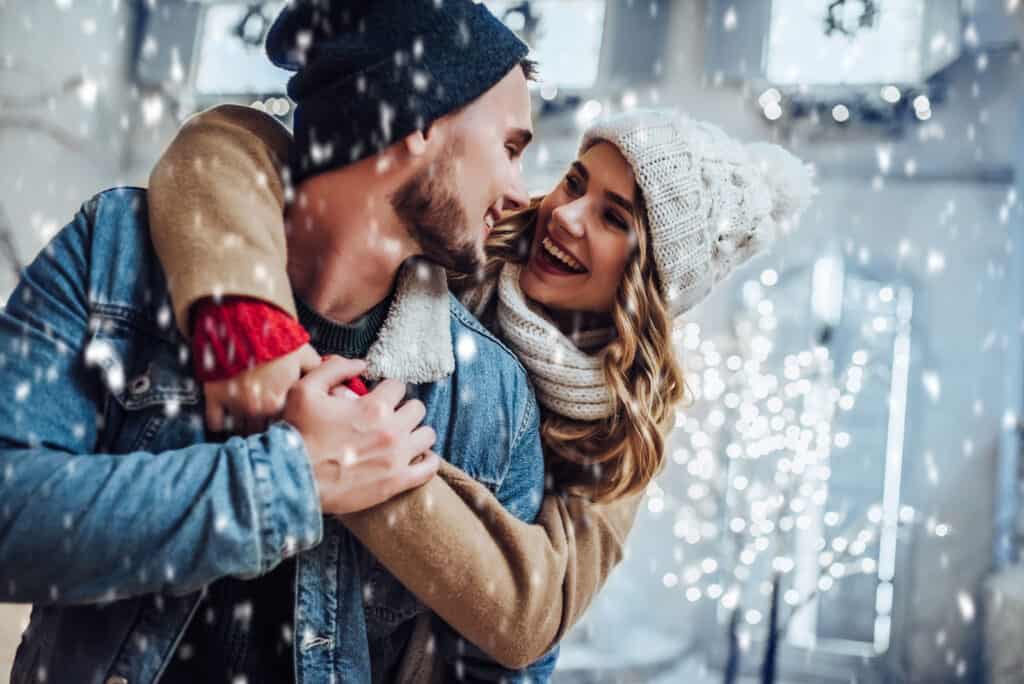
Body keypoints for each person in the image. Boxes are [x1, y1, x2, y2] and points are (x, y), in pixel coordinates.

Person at [148, 88, 814, 684]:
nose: (566, 215)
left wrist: (346, 456)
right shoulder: (462, 241)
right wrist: (250, 331)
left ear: (652, 282)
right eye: (574, 182)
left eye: (614, 218)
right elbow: (235, 138)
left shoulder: (624, 419)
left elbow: (528, 617)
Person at [3, 1, 561, 682]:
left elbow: (503, 670)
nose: (517, 191)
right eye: (508, 147)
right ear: (419, 118)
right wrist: (288, 482)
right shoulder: (116, 253)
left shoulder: (489, 398)